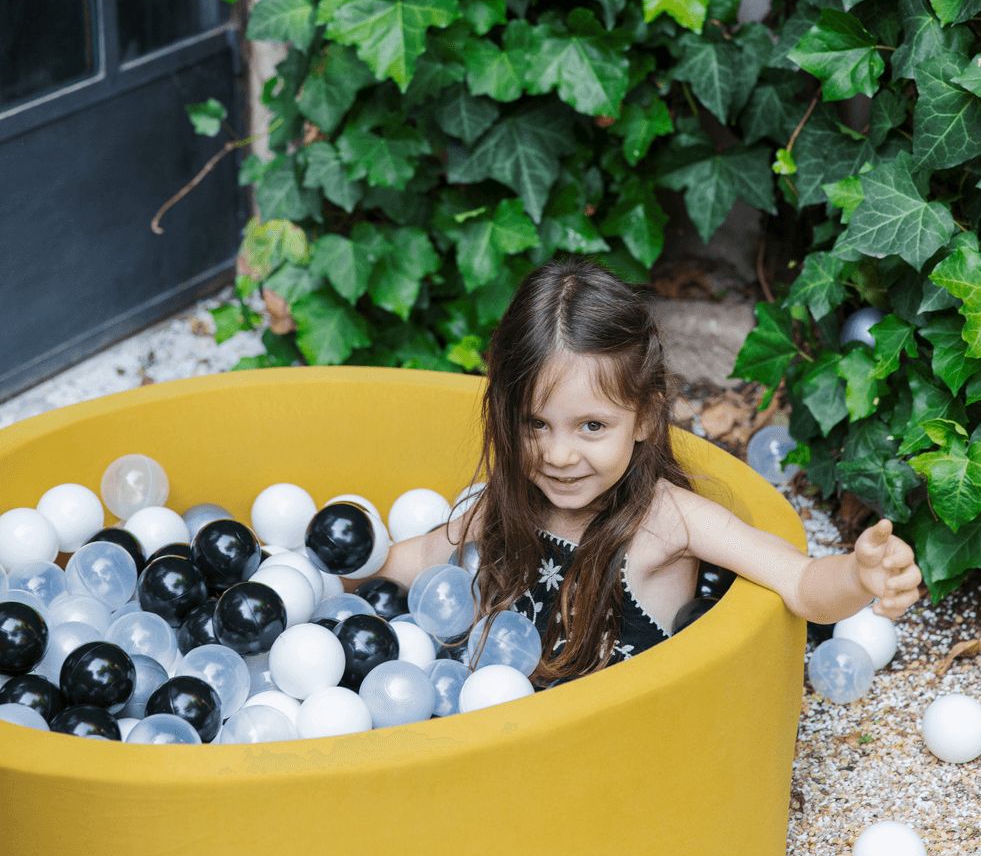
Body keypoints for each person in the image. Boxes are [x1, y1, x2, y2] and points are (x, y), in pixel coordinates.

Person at [351, 257, 924, 690]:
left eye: (591, 427)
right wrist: (323, 576)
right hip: (498, 720)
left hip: (620, 744)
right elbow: (414, 562)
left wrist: (858, 575)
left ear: (646, 416)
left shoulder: (670, 520)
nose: (558, 455)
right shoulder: (506, 505)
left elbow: (800, 585)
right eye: (535, 424)